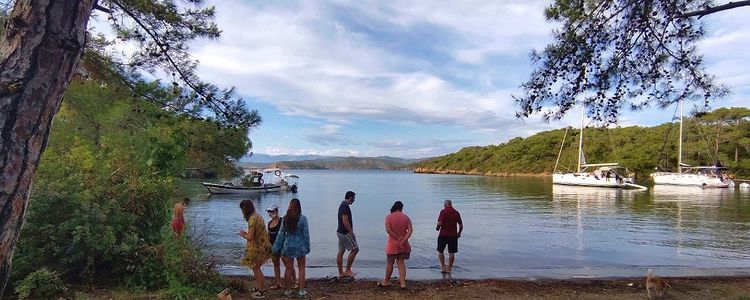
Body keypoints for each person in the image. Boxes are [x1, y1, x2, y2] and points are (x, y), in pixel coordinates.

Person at [272, 198, 310, 298]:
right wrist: (307, 246)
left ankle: (288, 290)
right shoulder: (303, 219)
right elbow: (306, 234)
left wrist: (275, 248)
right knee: (301, 268)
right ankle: (301, 290)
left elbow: (281, 234)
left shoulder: (285, 219)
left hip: (288, 246)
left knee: (288, 268)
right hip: (300, 246)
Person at [238, 199, 272, 299]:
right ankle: (258, 287)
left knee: (256, 269)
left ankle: (261, 291)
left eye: (242, 209)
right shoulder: (258, 216)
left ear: (245, 209)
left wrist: (243, 234)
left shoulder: (252, 219)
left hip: (258, 248)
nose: (242, 212)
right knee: (255, 268)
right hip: (264, 246)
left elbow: (250, 237)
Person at [378, 201, 412, 289]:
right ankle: (403, 283)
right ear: (401, 208)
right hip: (403, 245)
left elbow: (388, 230)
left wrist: (397, 238)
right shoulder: (406, 217)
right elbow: (410, 230)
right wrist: (404, 240)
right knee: (401, 262)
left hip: (392, 245)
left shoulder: (389, 217)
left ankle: (386, 281)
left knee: (390, 263)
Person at [266, 203, 296, 290]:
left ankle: (294, 281)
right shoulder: (269, 223)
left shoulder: (283, 221)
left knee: (289, 265)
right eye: (269, 212)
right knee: (276, 265)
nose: (270, 213)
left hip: (283, 246)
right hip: (273, 247)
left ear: (276, 211)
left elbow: (288, 233)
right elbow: (268, 236)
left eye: (271, 211)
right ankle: (278, 283)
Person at [436, 199, 463, 278]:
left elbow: (440, 223)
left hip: (443, 235)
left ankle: (443, 267)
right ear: (451, 204)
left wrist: (437, 228)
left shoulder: (443, 212)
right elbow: (461, 225)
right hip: (453, 235)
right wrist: (459, 233)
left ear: (445, 205)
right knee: (451, 253)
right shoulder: (456, 213)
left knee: (440, 251)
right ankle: (449, 269)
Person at [336, 191, 359, 279]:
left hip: (339, 232)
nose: (354, 200)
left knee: (341, 252)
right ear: (350, 197)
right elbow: (345, 221)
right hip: (344, 233)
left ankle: (341, 273)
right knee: (355, 249)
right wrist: (351, 232)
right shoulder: (345, 206)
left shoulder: (343, 205)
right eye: (353, 198)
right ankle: (348, 270)